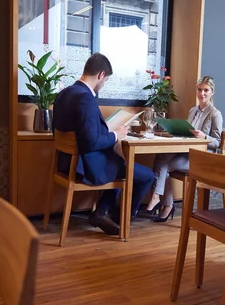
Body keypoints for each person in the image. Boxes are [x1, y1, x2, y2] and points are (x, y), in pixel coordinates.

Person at [52, 53, 155, 236]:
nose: (104, 84)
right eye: (106, 80)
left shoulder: (64, 93)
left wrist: (106, 131)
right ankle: (120, 220)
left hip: (65, 162)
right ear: (101, 75)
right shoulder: (86, 98)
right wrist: (116, 134)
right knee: (146, 175)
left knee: (118, 162)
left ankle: (102, 212)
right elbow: (90, 142)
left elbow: (78, 132)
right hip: (84, 166)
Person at [143, 76, 223, 222]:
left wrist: (204, 136)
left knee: (163, 166)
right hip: (187, 152)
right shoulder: (193, 111)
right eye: (199, 89)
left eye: (206, 90)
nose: (202, 93)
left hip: (202, 157)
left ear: (212, 92)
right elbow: (188, 132)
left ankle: (161, 202)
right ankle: (163, 203)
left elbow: (217, 142)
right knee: (161, 158)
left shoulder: (215, 114)